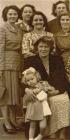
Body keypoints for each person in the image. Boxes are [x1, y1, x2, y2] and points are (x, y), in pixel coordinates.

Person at [24, 36, 70, 138]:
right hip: (37, 92)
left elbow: (63, 77)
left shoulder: (57, 59)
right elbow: (24, 80)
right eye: (41, 46)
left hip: (55, 89)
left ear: (50, 48)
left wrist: (57, 91)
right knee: (48, 102)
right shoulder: (30, 60)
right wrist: (27, 89)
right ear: (37, 48)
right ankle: (49, 133)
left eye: (46, 47)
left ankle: (61, 131)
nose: (43, 49)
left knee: (63, 100)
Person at [0, 5, 22, 134]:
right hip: (6, 65)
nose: (13, 16)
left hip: (17, 64)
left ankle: (13, 121)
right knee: (5, 95)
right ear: (6, 16)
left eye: (14, 14)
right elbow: (0, 49)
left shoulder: (18, 28)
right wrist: (1, 67)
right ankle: (6, 122)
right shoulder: (3, 29)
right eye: (10, 14)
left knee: (14, 95)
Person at [21, 67, 57, 140]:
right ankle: (30, 138)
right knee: (32, 125)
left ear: (36, 77)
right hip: (33, 109)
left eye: (32, 79)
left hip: (43, 109)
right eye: (28, 80)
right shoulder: (28, 90)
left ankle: (41, 134)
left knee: (43, 126)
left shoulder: (42, 84)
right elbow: (25, 100)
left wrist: (47, 88)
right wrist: (25, 106)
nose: (30, 81)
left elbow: (51, 89)